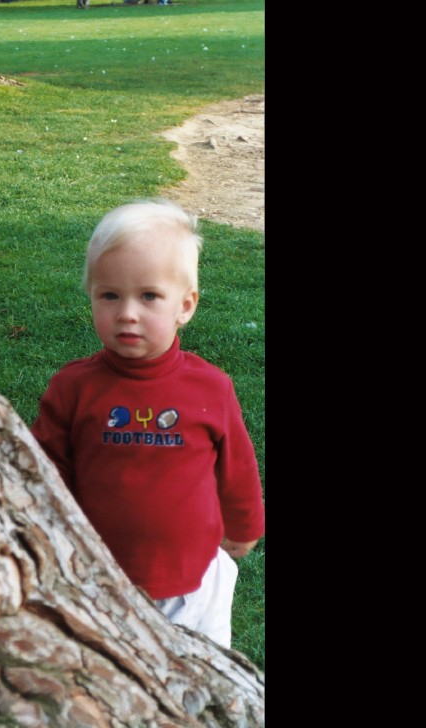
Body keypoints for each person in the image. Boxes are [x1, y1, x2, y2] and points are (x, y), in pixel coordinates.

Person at [30, 199, 265, 650]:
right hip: (100, 575)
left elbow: (236, 467)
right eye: (110, 295)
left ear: (186, 306)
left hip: (192, 581)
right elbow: (46, 468)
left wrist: (246, 525)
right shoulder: (74, 387)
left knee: (199, 671)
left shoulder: (210, 388)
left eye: (149, 296)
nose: (127, 313)